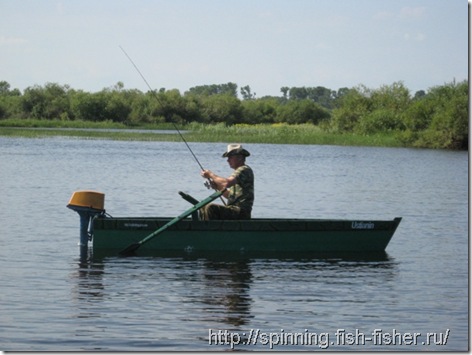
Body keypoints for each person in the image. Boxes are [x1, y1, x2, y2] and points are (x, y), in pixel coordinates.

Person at [200, 144, 254, 220]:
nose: (228, 160)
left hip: (241, 212)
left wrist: (210, 174)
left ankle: (209, 231)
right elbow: (230, 196)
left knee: (210, 208)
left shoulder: (244, 170)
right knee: (203, 207)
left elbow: (226, 183)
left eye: (230, 157)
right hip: (234, 211)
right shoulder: (238, 172)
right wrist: (217, 187)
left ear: (240, 157)